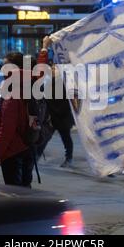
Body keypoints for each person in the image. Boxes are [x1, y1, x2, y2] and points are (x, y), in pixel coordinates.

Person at [0, 52, 34, 188]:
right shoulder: (30, 84)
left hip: (13, 152)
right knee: (26, 191)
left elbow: (6, 129)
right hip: (28, 146)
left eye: (5, 66)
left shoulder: (12, 91)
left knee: (15, 194)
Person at [38, 37, 75, 167]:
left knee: (66, 138)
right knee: (44, 138)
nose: (53, 69)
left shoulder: (66, 81)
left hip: (63, 116)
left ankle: (69, 158)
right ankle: (36, 156)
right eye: (52, 67)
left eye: (55, 68)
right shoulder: (47, 80)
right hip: (50, 116)